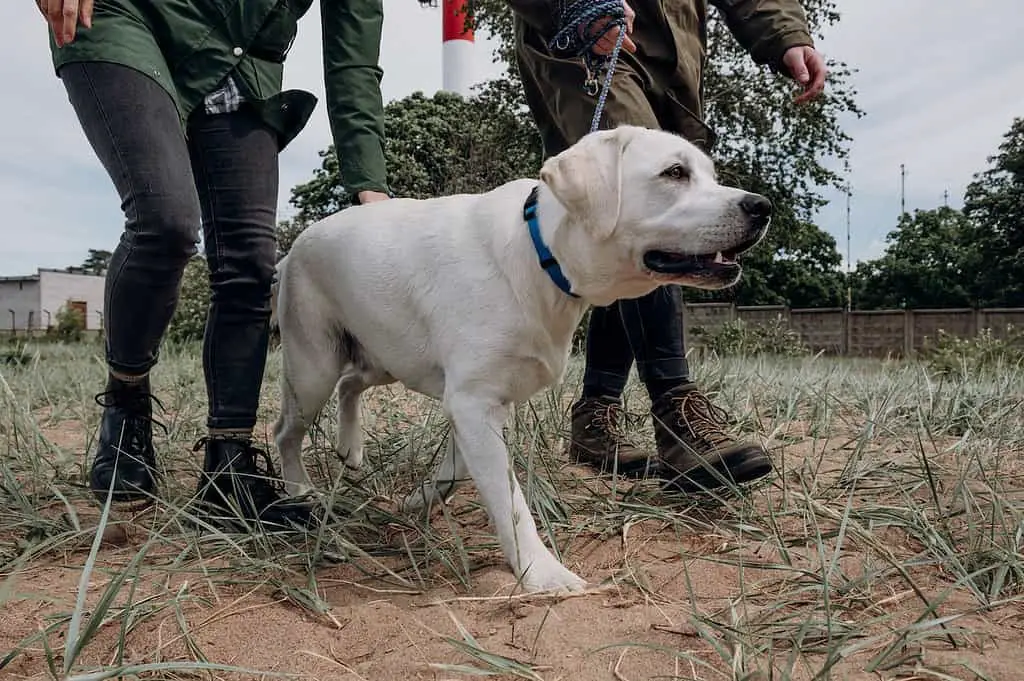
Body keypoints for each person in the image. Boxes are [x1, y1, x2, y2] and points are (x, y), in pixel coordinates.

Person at [37, 0, 391, 525]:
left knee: (250, 262)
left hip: (239, 64)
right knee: (165, 221)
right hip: (128, 17)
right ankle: (126, 402)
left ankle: (229, 465)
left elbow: (353, 62)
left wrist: (372, 189)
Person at [507, 0, 827, 491]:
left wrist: (786, 33)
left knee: (639, 234)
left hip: (677, 57)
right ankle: (679, 413)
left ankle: (595, 416)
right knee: (641, 222)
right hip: (584, 38)